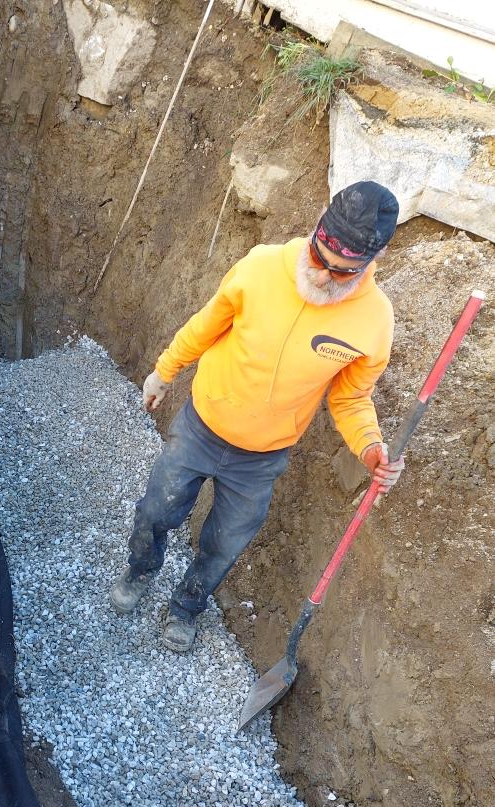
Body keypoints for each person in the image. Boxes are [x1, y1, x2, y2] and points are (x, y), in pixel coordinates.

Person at [110, 180, 405, 653]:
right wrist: (163, 372)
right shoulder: (261, 267)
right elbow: (206, 325)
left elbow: (351, 399)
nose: (325, 276)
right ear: (315, 232)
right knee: (155, 511)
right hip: (200, 427)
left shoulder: (373, 321)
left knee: (224, 544)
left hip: (261, 459)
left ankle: (187, 606)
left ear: (373, 262)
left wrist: (371, 447)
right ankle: (139, 570)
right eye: (320, 260)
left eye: (342, 272)